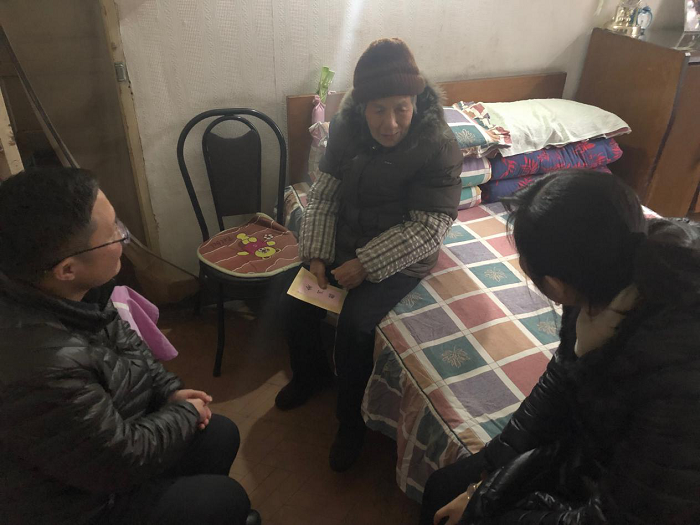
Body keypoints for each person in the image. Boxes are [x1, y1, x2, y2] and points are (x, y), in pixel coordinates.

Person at [419, 170, 700, 525]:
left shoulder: (678, 376)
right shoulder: (603, 269)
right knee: (444, 489)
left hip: (633, 499)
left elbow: (621, 515)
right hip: (595, 450)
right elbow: (561, 377)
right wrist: (489, 468)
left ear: (556, 286)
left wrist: (481, 507)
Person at [0, 168, 258, 525]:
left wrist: (169, 392)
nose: (124, 237)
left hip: (100, 455)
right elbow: (118, 462)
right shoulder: (41, 365)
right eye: (113, 233)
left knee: (218, 434)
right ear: (67, 269)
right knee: (226, 498)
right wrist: (184, 413)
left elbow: (128, 348)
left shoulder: (76, 292)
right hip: (78, 503)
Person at [274, 37, 462, 472]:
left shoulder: (438, 143)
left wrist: (366, 264)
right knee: (295, 301)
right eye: (378, 109)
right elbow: (325, 192)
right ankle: (309, 376)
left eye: (400, 109)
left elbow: (430, 225)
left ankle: (350, 423)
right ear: (362, 107)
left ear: (415, 102)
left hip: (403, 251)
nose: (390, 123)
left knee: (356, 328)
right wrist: (318, 254)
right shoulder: (345, 128)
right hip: (346, 236)